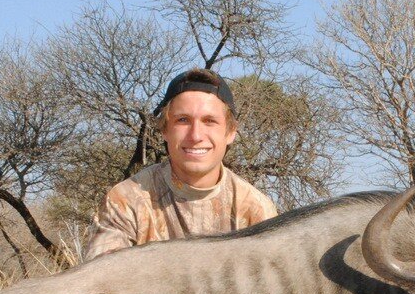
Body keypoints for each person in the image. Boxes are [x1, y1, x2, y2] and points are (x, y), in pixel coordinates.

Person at [84, 68, 278, 260]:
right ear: (164, 129)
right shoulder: (126, 201)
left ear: (230, 132)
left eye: (209, 121)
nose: (195, 136)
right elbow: (100, 282)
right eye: (183, 120)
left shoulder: (256, 210)